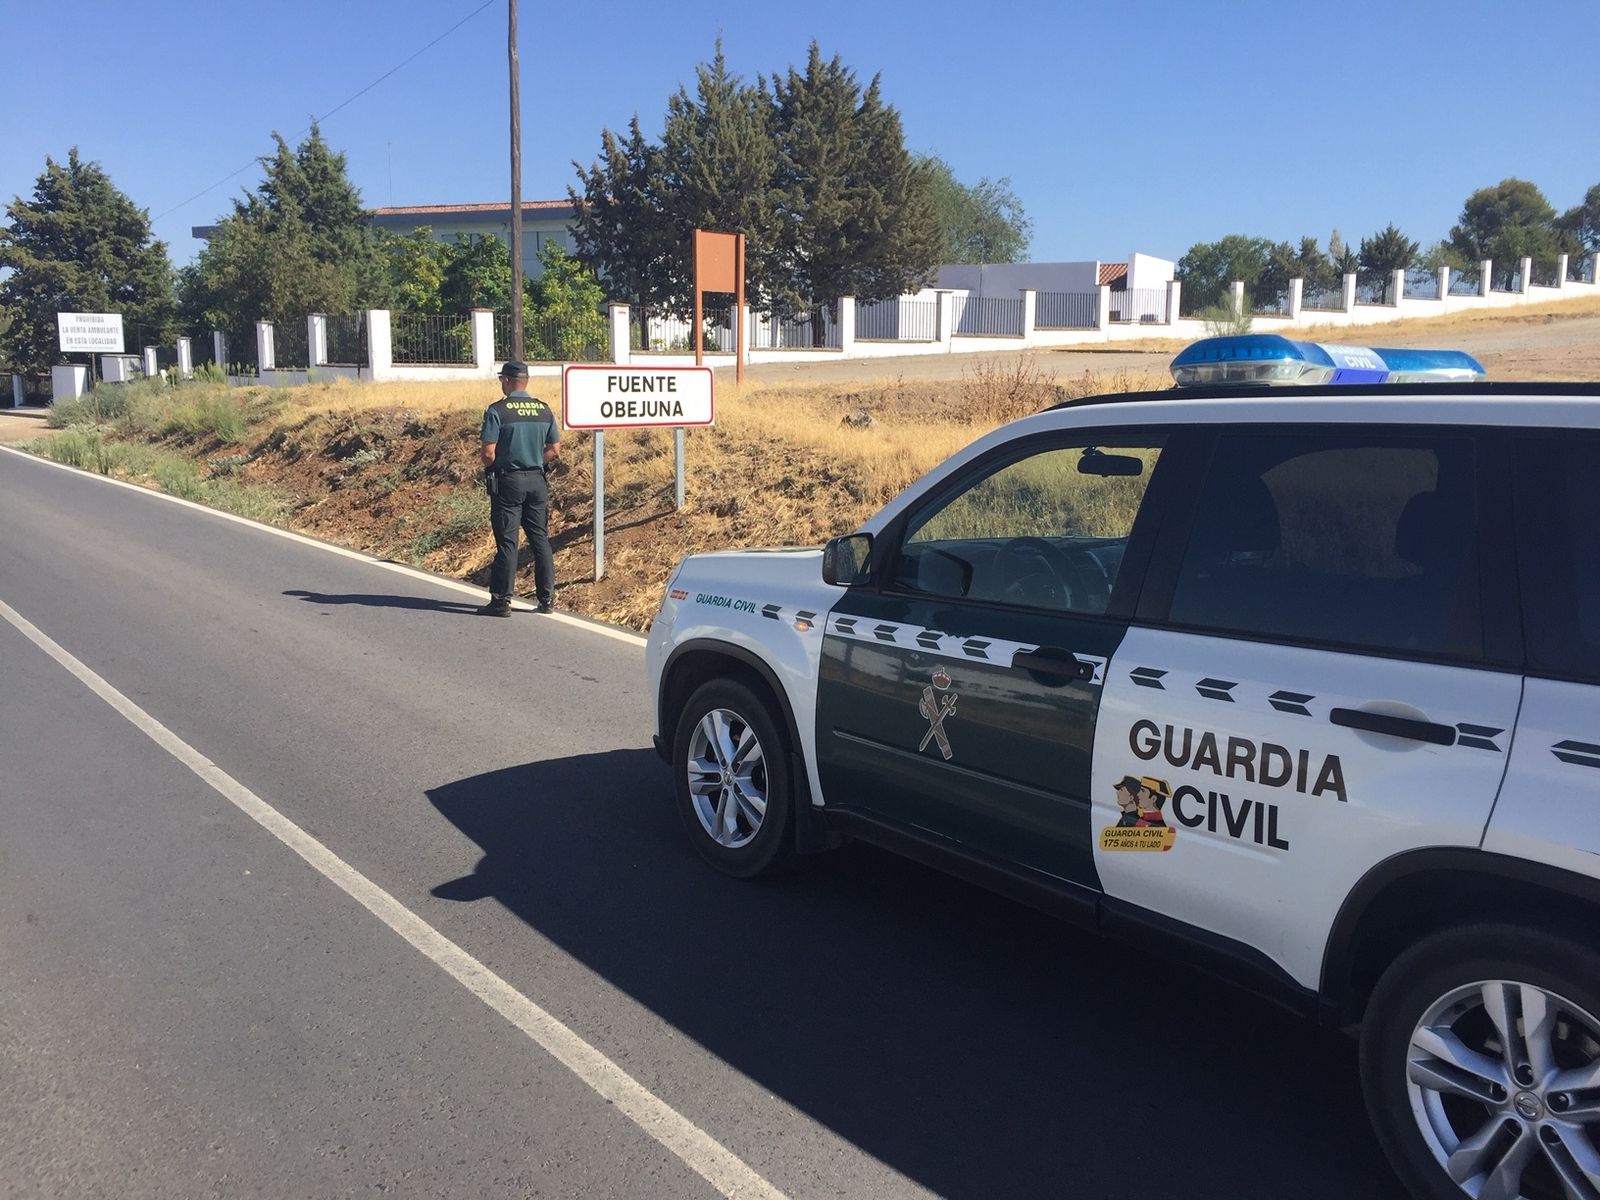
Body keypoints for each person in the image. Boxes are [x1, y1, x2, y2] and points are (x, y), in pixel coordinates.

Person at [478, 360, 559, 616]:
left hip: (508, 482)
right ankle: (547, 599)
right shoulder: (544, 410)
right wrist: (534, 460)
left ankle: (501, 601)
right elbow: (554, 450)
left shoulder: (498, 411)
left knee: (508, 542)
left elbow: (488, 454)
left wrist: (501, 464)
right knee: (540, 539)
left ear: (507, 380)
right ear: (526, 381)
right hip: (537, 481)